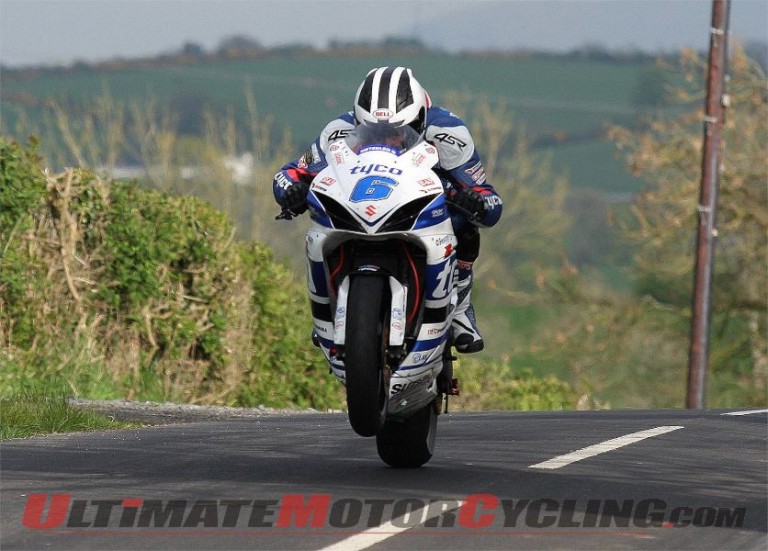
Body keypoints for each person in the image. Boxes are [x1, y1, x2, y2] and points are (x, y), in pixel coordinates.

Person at [273, 66, 503, 353]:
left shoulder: (448, 133)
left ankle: (460, 312)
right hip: (360, 208)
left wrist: (476, 202)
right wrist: (291, 191)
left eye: (396, 131)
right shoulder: (338, 130)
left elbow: (488, 198)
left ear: (419, 119)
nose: (387, 138)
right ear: (358, 119)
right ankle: (326, 313)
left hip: (422, 210)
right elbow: (292, 172)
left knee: (466, 227)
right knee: (317, 226)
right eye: (373, 130)